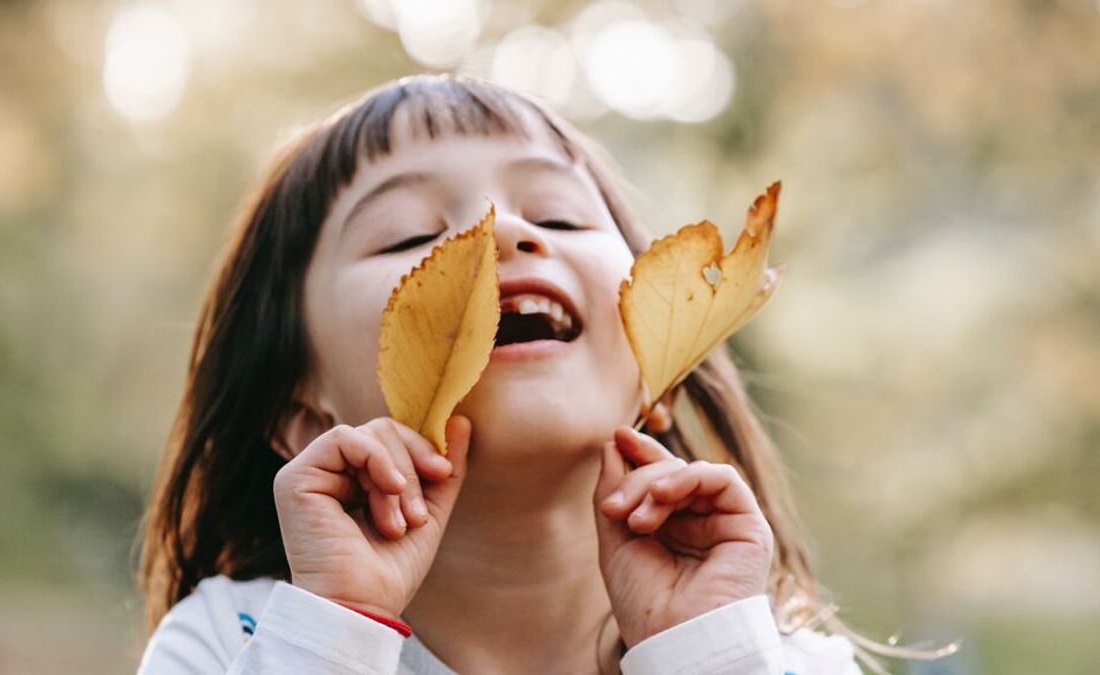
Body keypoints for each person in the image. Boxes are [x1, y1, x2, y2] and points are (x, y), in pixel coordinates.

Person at [135, 75, 868, 674]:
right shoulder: (234, 642)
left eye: (559, 215)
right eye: (412, 237)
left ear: (661, 373)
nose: (503, 230)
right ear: (305, 418)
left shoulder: (779, 659)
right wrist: (333, 632)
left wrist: (705, 655)